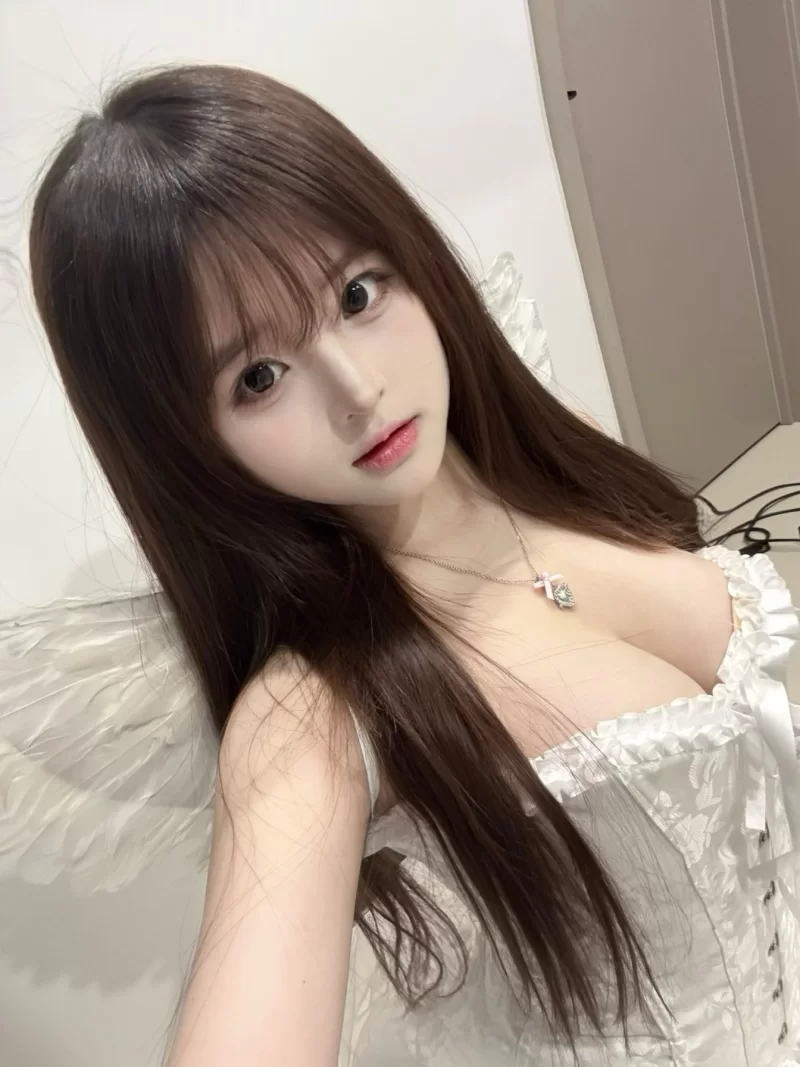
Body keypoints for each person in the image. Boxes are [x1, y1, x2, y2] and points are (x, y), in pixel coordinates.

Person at [24, 63, 800, 1066]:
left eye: (357, 293)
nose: (358, 389)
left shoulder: (542, 465)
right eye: (258, 376)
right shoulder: (306, 717)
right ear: (187, 445)